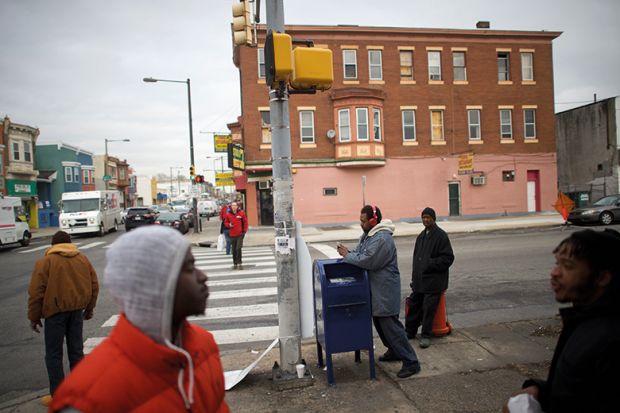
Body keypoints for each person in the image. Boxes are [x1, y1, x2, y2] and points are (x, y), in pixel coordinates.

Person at [50, 225, 229, 413]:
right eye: (189, 268)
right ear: (155, 284)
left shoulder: (204, 344)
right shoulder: (87, 400)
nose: (203, 276)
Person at [503, 229, 620, 413]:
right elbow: (578, 392)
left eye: (568, 266)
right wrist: (539, 390)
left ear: (602, 277)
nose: (554, 273)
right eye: (557, 263)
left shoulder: (610, 340)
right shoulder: (583, 321)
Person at [337, 205, 421, 379]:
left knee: (391, 327)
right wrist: (350, 253)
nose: (361, 223)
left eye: (363, 220)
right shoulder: (369, 236)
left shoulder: (382, 239)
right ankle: (394, 351)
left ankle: (411, 362)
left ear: (373, 221)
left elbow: (369, 261)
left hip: (384, 291)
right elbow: (360, 253)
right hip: (376, 291)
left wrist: (347, 255)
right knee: (380, 324)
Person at [27, 231, 99, 405]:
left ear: (52, 245)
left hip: (54, 314)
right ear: (70, 244)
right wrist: (89, 309)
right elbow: (94, 285)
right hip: (76, 313)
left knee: (53, 354)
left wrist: (34, 317)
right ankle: (80, 391)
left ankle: (58, 395)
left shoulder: (45, 262)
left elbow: (36, 292)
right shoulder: (82, 259)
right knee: (76, 352)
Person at [405, 207, 454, 348]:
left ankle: (426, 335)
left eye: (428, 217)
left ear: (434, 218)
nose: (425, 220)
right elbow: (416, 259)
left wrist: (431, 263)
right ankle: (410, 332)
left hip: (434, 282)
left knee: (428, 309)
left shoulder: (441, 236)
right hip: (420, 282)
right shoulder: (421, 236)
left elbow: (448, 258)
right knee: (414, 306)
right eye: (423, 217)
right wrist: (414, 279)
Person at [224, 201, 248, 270]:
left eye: (235, 205)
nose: (234, 207)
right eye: (232, 205)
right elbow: (225, 222)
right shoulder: (228, 214)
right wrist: (229, 225)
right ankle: (235, 263)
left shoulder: (241, 213)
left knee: (238, 248)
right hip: (232, 234)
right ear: (231, 207)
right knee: (234, 250)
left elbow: (245, 222)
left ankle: (240, 263)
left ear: (237, 206)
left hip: (240, 234)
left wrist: (244, 231)